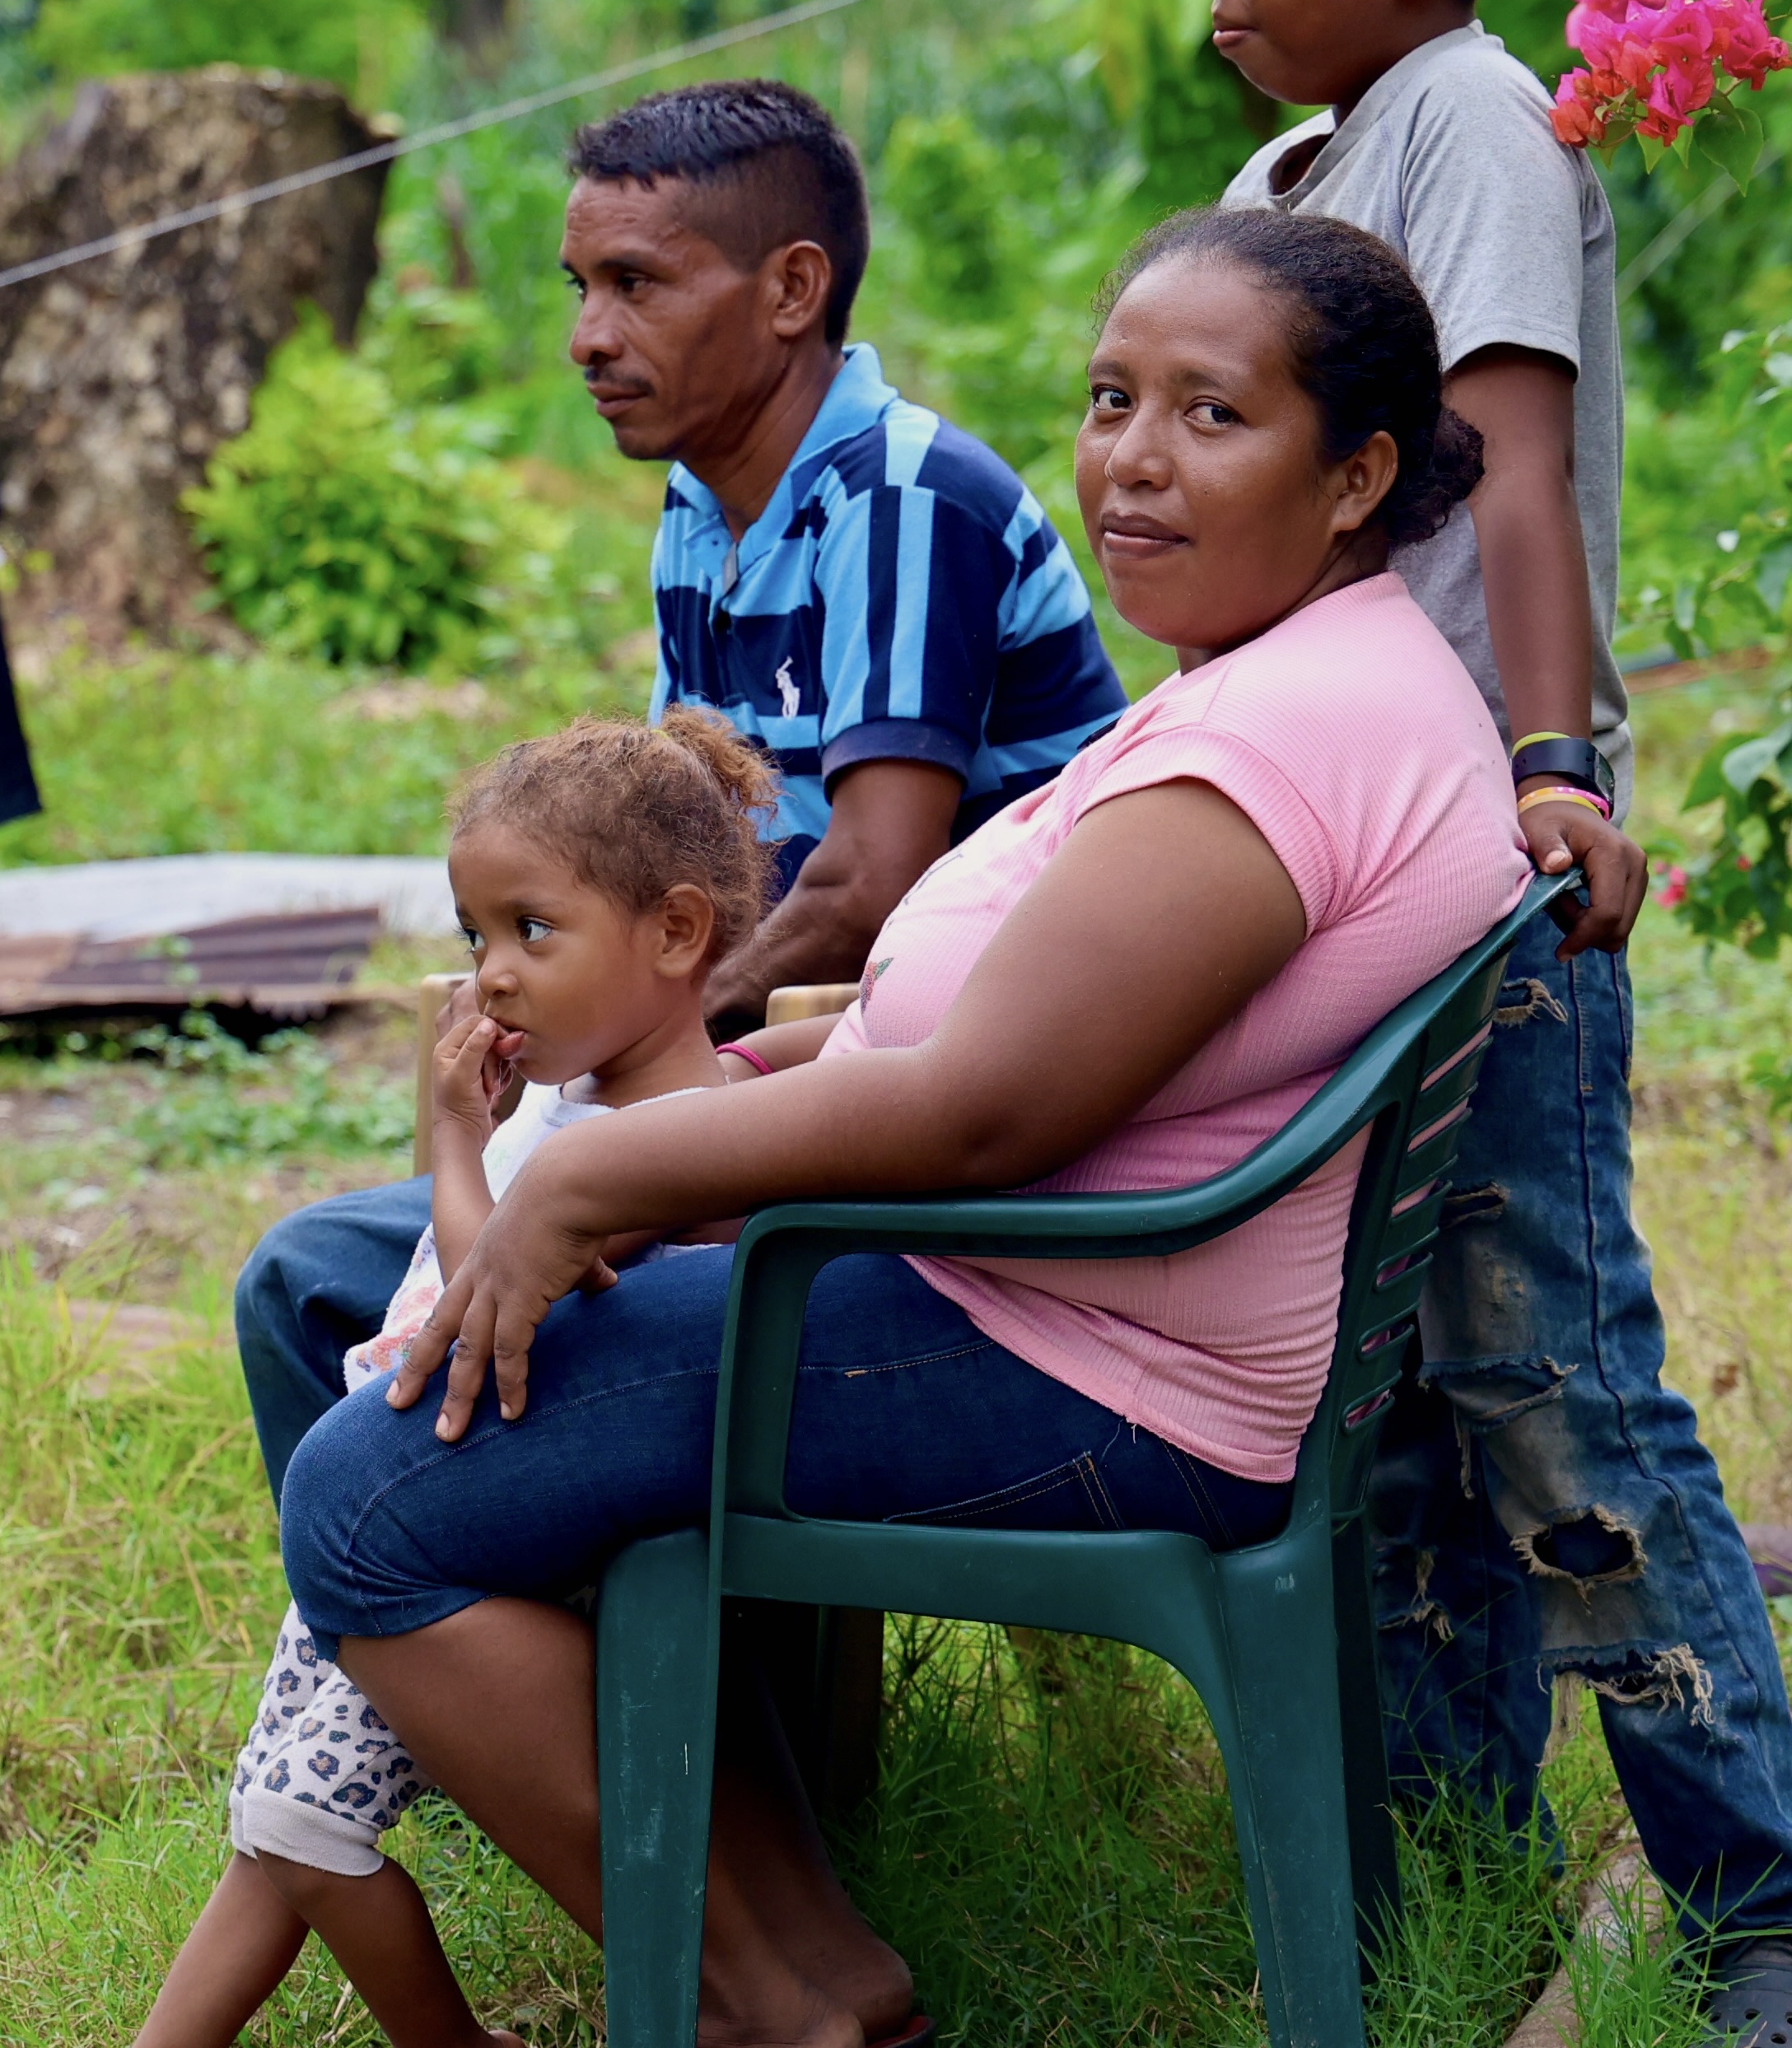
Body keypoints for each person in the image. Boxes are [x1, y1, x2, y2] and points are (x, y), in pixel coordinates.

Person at [279, 207, 1524, 2048]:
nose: (1130, 457)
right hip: (1042, 1276)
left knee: (366, 1497)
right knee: (337, 1285)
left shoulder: (1279, 741)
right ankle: (722, 1907)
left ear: (1358, 470)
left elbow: (989, 1107)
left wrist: (596, 1170)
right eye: (1114, 399)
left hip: (1084, 1355)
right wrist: (713, 1094)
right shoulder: (1300, 674)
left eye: (1213, 414)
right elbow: (1013, 1040)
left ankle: (766, 2001)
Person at [1197, 0, 1792, 2048]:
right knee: (1391, 1413)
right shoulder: (1326, 160)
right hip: (1356, 879)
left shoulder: (1472, 124)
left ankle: (1786, 1933)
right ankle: (1455, 1912)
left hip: (1490, 874)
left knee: (1561, 1393)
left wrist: (1554, 767)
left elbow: (1514, 472)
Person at [0, 714, 782, 2048]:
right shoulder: (584, 1110)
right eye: (475, 931)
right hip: (410, 1503)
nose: (490, 971)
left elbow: (497, 1314)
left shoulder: (678, 1133)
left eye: (533, 929)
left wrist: (450, 1139)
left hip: (464, 1533)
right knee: (280, 1820)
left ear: (677, 933)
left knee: (298, 1824)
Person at [229, 80, 1127, 1500]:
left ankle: (539, 1642)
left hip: (913, 1106)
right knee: (311, 1285)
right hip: (763, 1070)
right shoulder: (706, 508)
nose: (591, 337)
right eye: (582, 286)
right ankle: (454, 1655)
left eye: (637, 285)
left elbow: (867, 881)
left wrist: (626, 1056)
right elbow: (668, 850)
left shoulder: (899, 502)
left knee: (415, 1278)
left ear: (791, 288)